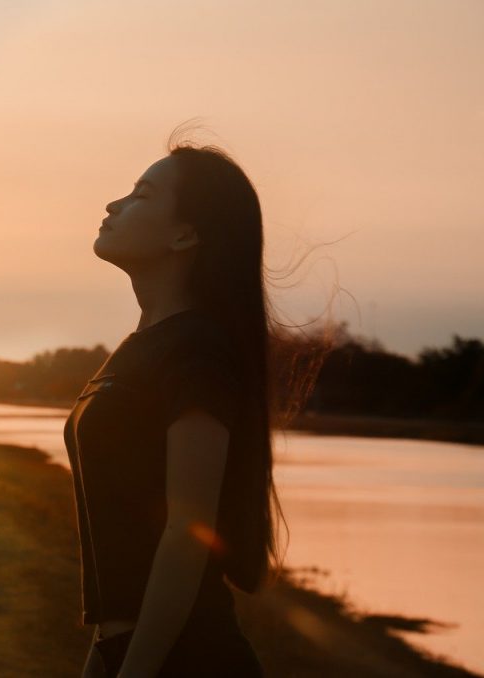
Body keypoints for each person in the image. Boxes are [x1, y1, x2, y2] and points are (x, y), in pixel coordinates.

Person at [65, 125, 294, 677]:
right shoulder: (143, 345)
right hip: (131, 649)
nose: (114, 204)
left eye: (141, 195)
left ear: (185, 236)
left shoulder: (197, 350)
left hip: (191, 660)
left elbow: (187, 534)